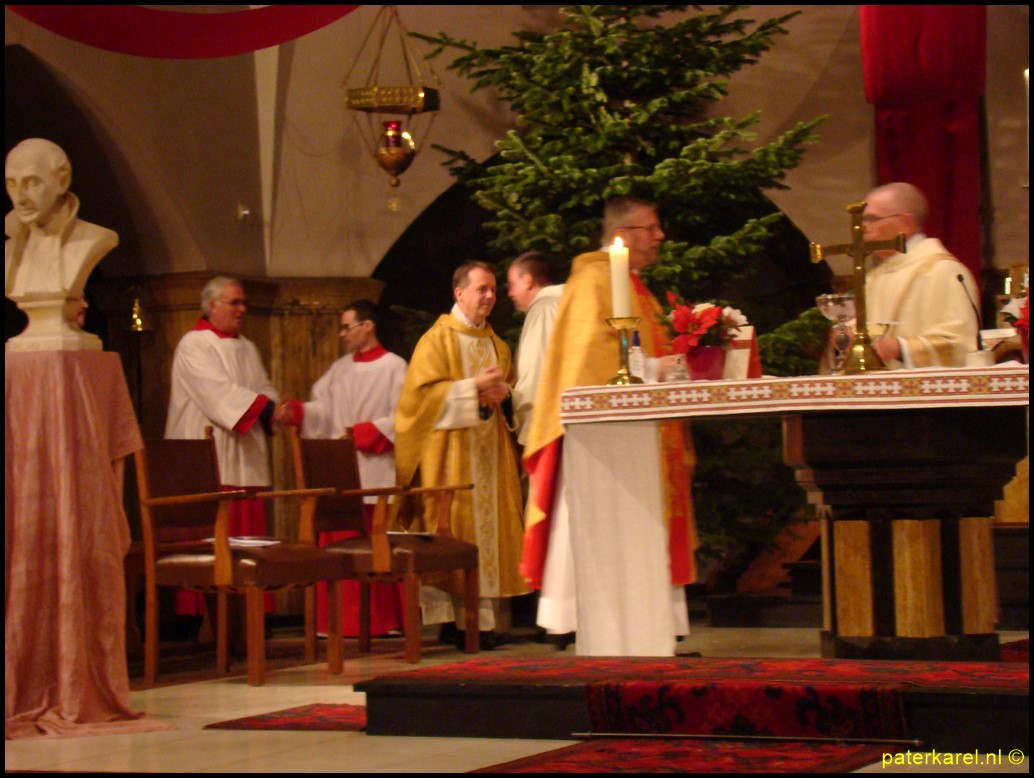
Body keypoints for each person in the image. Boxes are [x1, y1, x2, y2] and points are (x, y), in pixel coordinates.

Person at [520, 196, 699, 650]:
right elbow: (587, 362)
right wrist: (654, 369)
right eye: (650, 228)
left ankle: (647, 618)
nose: (659, 236)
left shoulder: (632, 283)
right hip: (603, 443)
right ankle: (584, 616)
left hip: (640, 434)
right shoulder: (593, 280)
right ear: (623, 235)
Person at [394, 261, 531, 648]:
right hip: (449, 459)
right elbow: (416, 403)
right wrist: (470, 388)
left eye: (493, 290)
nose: (489, 296)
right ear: (459, 293)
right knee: (457, 529)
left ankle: (480, 625)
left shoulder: (498, 345)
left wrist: (504, 395)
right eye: (481, 289)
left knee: (488, 535)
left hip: (490, 457)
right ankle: (458, 624)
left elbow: (511, 394)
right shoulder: (436, 341)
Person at [282, 300, 408, 638]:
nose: (342, 334)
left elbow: (404, 417)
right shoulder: (339, 369)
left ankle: (383, 621)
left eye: (347, 327)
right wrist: (299, 413)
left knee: (375, 545)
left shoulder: (395, 367)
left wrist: (363, 433)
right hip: (340, 471)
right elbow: (324, 410)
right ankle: (337, 621)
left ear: (368, 326)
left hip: (376, 468)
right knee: (339, 543)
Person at [165, 276, 287, 615]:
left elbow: (264, 386)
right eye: (235, 302)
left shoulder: (247, 346)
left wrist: (273, 406)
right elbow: (218, 394)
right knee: (211, 541)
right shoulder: (194, 344)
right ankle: (203, 616)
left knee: (246, 535)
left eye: (243, 302)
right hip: (209, 453)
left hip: (243, 453)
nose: (242, 309)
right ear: (212, 305)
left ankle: (249, 614)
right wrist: (268, 409)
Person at [860, 182, 981, 368]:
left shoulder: (943, 271)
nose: (864, 227)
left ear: (906, 223)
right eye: (863, 220)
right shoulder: (874, 278)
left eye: (873, 219)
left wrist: (902, 348)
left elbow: (961, 343)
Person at [5, 138, 118, 299]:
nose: (19, 198)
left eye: (32, 183)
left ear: (63, 181)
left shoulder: (94, 239)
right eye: (12, 184)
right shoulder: (8, 251)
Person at [507, 251, 564, 448]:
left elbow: (535, 374)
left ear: (527, 280)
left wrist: (526, 427)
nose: (510, 293)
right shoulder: (565, 302)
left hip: (548, 426)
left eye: (512, 284)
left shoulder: (544, 309)